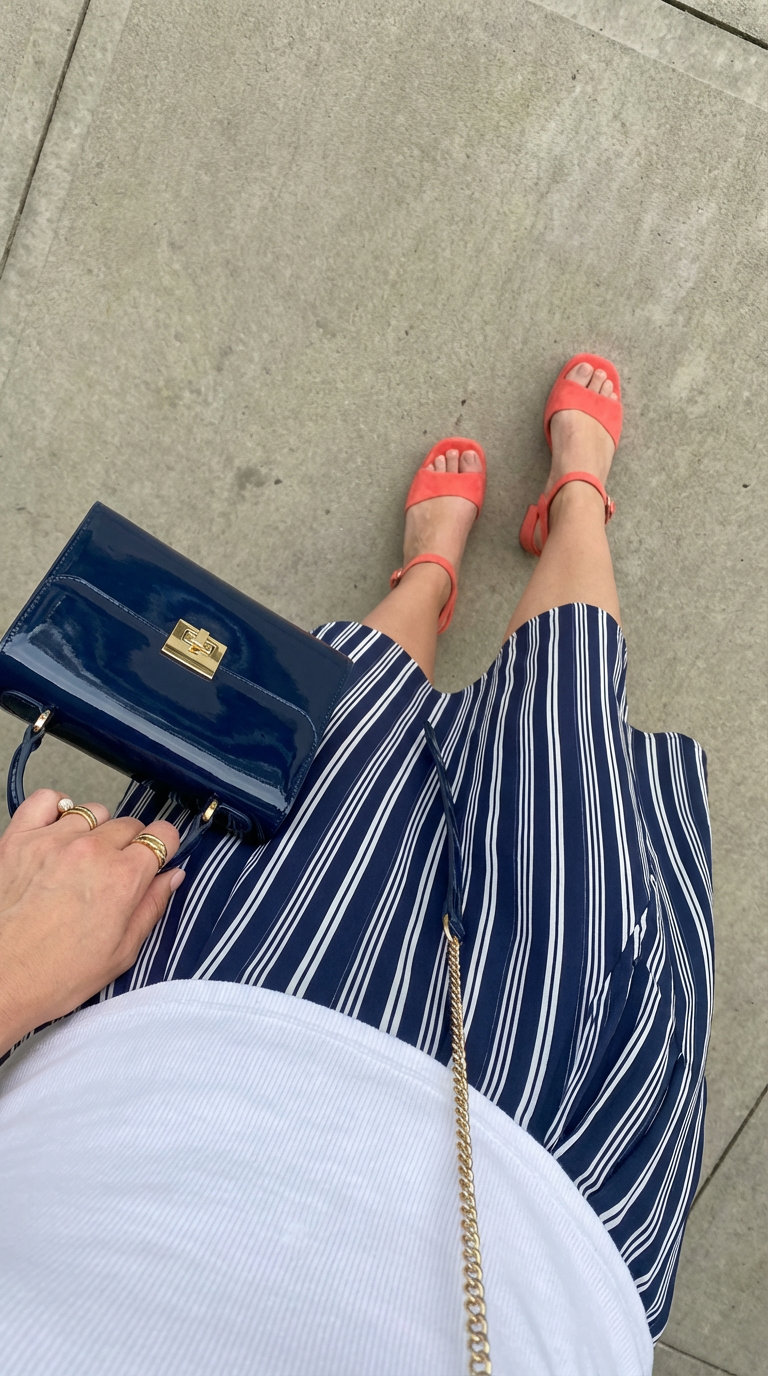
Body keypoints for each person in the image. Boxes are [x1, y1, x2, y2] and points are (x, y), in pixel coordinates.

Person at [0, 354, 713, 1375]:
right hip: (551, 1226)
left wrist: (14, 965)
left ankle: (425, 584)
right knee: (565, 735)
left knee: (340, 725)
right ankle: (580, 503)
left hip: (171, 1070)